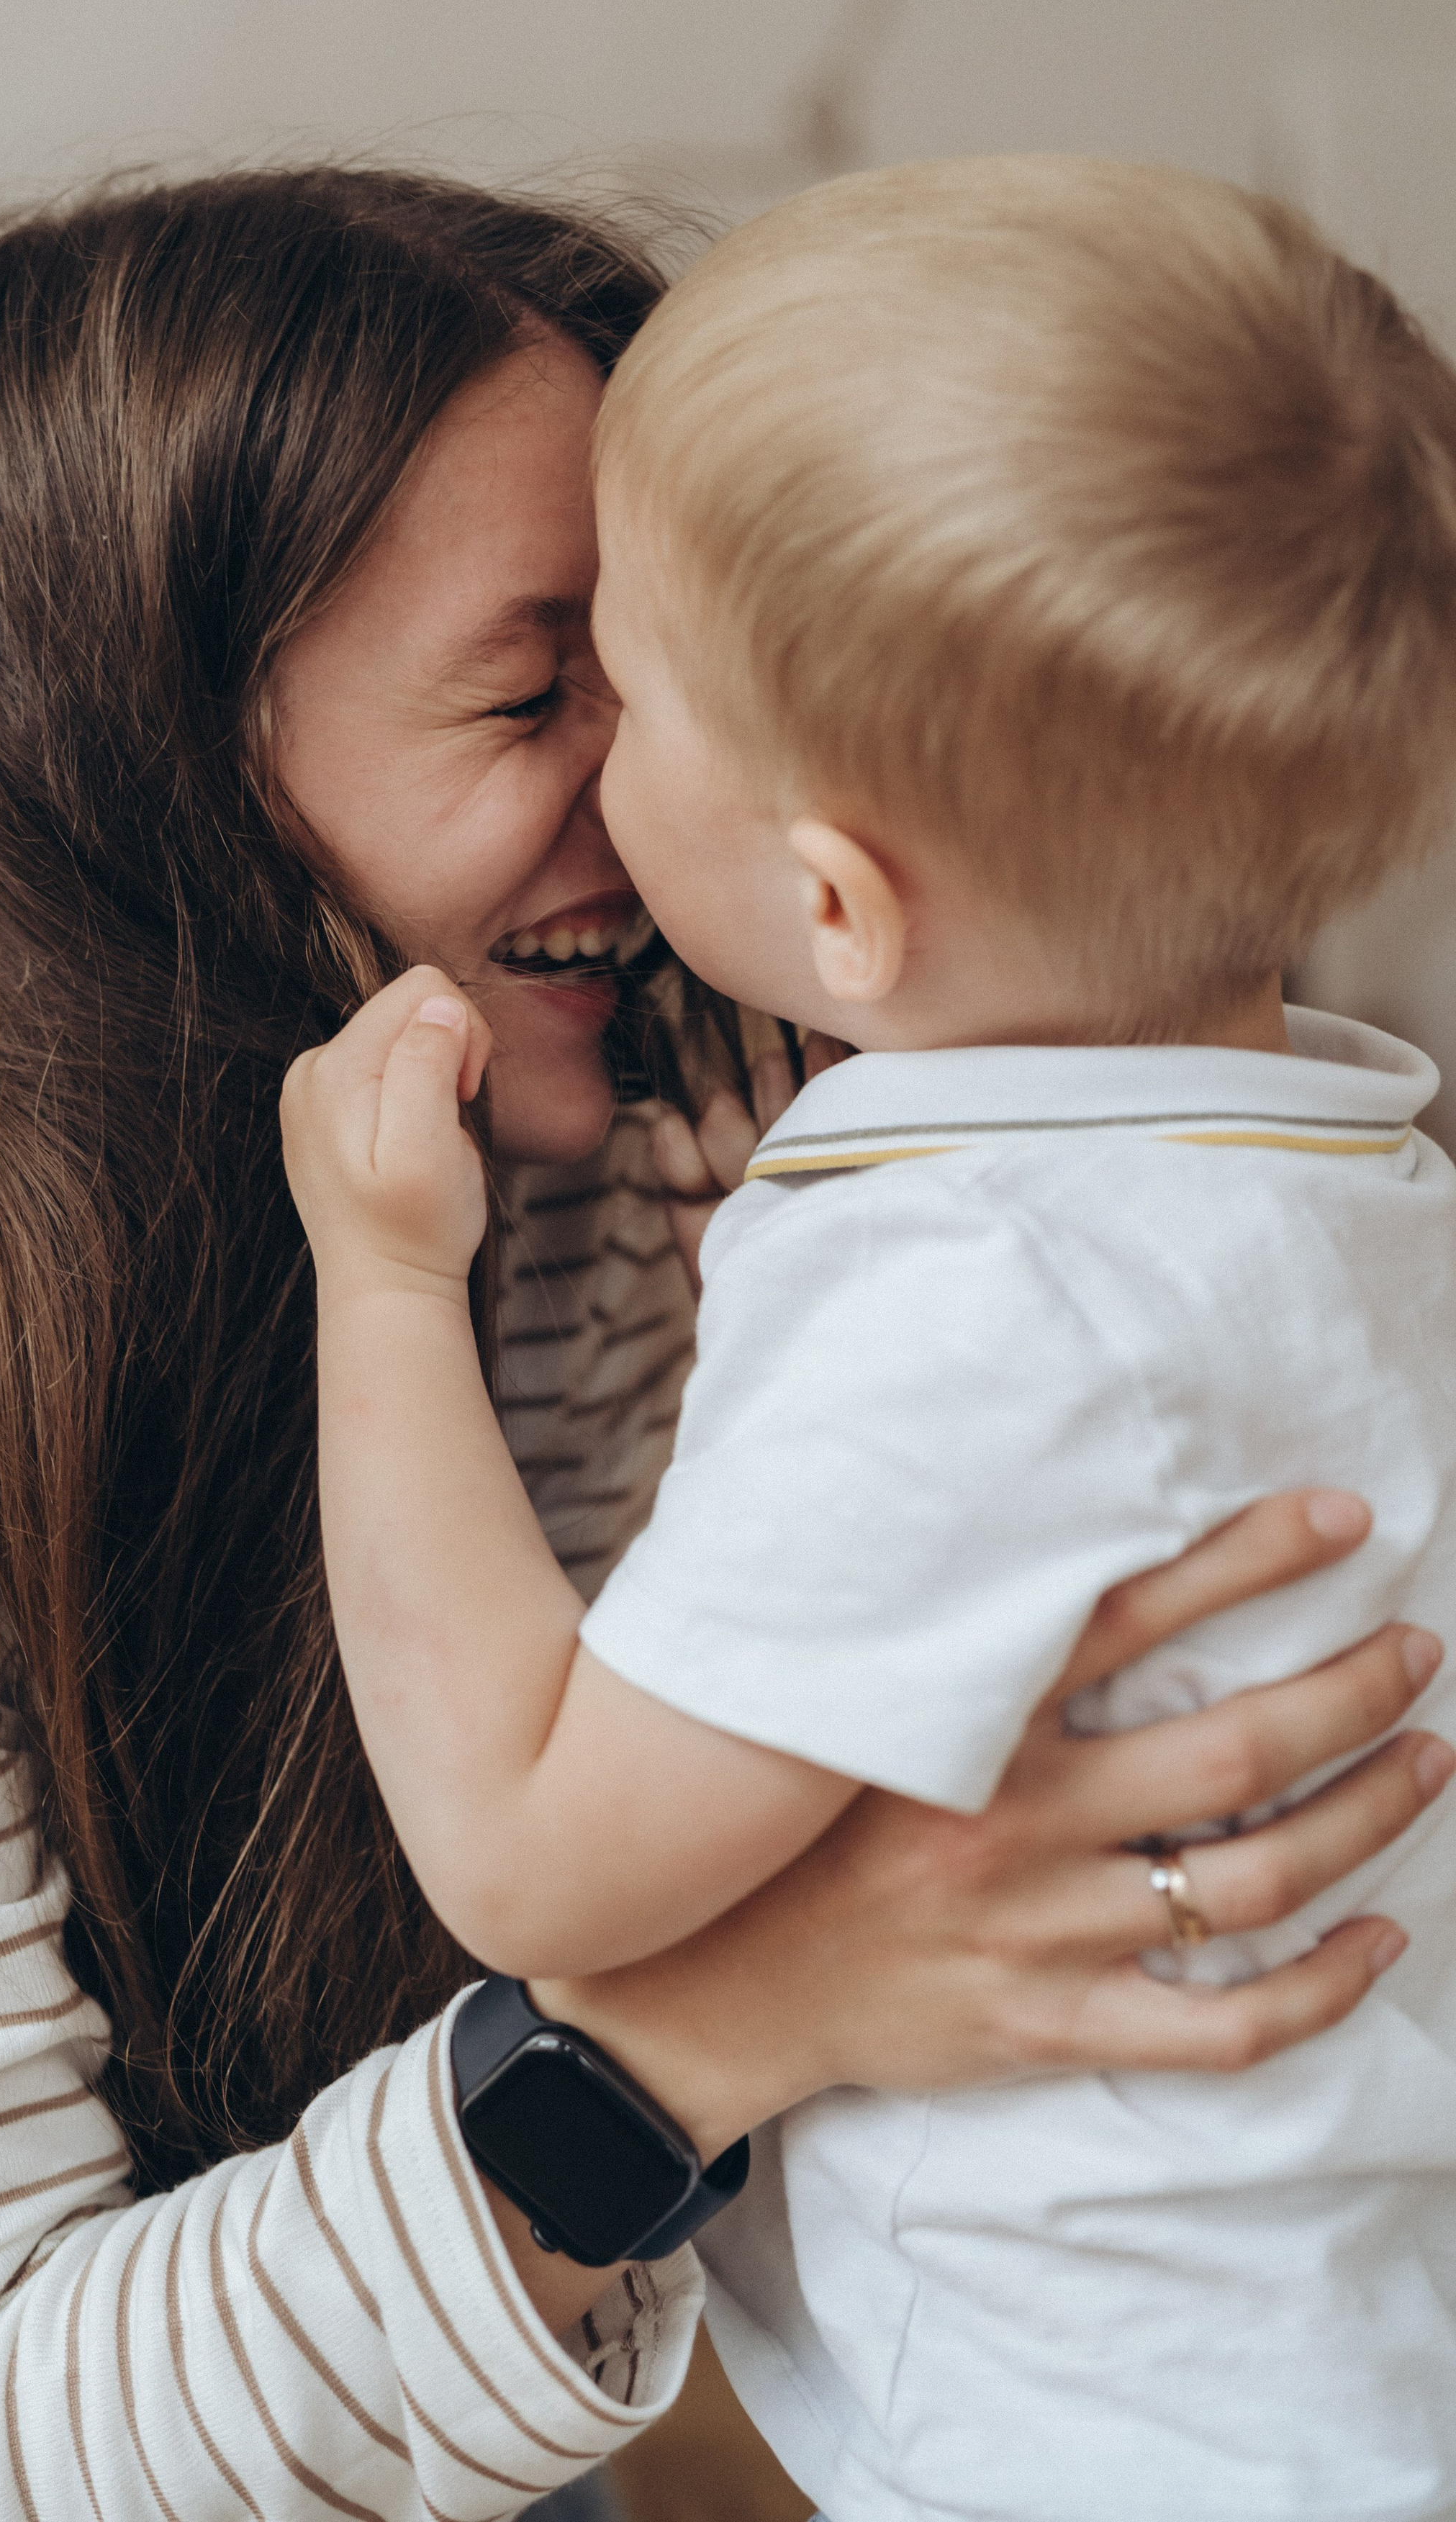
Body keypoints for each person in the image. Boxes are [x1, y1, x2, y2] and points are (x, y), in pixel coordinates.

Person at [0, 169, 1445, 2522]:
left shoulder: (737, 1113)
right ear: (157, 785)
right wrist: (742, 2007)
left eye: (672, 660)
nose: (681, 783)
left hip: (475, 2259)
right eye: (533, 688)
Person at [281, 157, 1456, 2522]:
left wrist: (387, 1284)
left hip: (1097, 2443)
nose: (601, 759)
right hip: (1320, 2359)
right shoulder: (1339, 1174)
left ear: (829, 895)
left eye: (630, 687)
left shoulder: (977, 1286)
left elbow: (532, 1848)